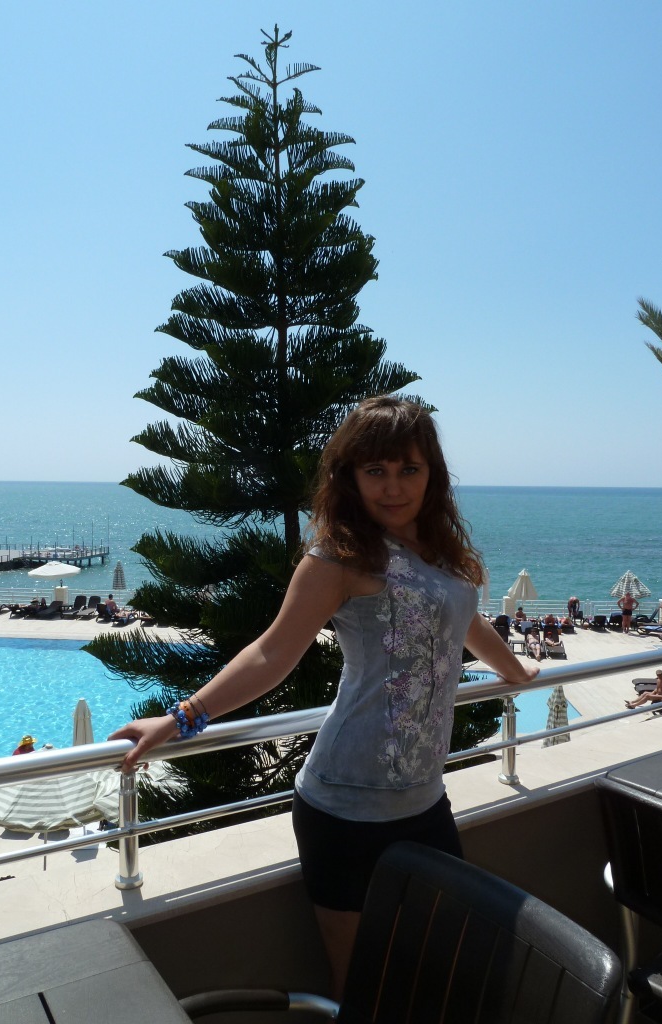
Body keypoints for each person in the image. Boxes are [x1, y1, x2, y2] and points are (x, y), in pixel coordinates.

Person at [109, 395, 539, 998]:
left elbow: (463, 618)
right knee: (358, 981)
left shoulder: (440, 553)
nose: (393, 487)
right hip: (344, 809)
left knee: (440, 962)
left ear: (432, 474)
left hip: (426, 801)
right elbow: (272, 653)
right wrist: (183, 717)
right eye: (376, 470)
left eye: (409, 469)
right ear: (350, 476)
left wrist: (515, 670)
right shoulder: (339, 558)